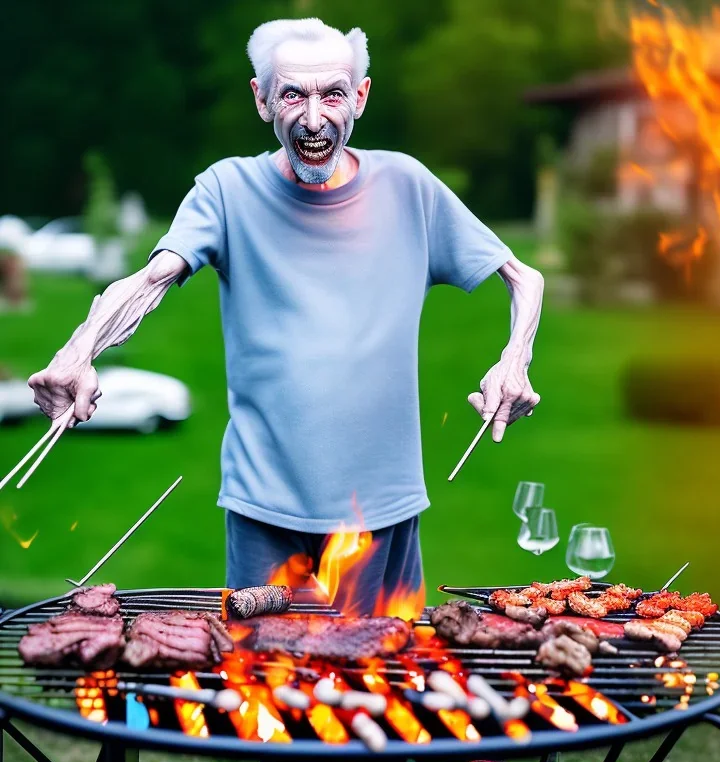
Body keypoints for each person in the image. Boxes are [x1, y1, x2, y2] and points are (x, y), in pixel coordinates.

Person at [27, 18, 544, 615]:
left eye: (333, 93)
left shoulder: (409, 187)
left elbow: (522, 277)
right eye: (294, 94)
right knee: (264, 690)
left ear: (361, 96)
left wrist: (514, 360)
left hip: (382, 506)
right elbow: (150, 281)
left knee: (377, 681)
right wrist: (79, 349)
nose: (314, 115)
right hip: (262, 510)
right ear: (262, 99)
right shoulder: (226, 189)